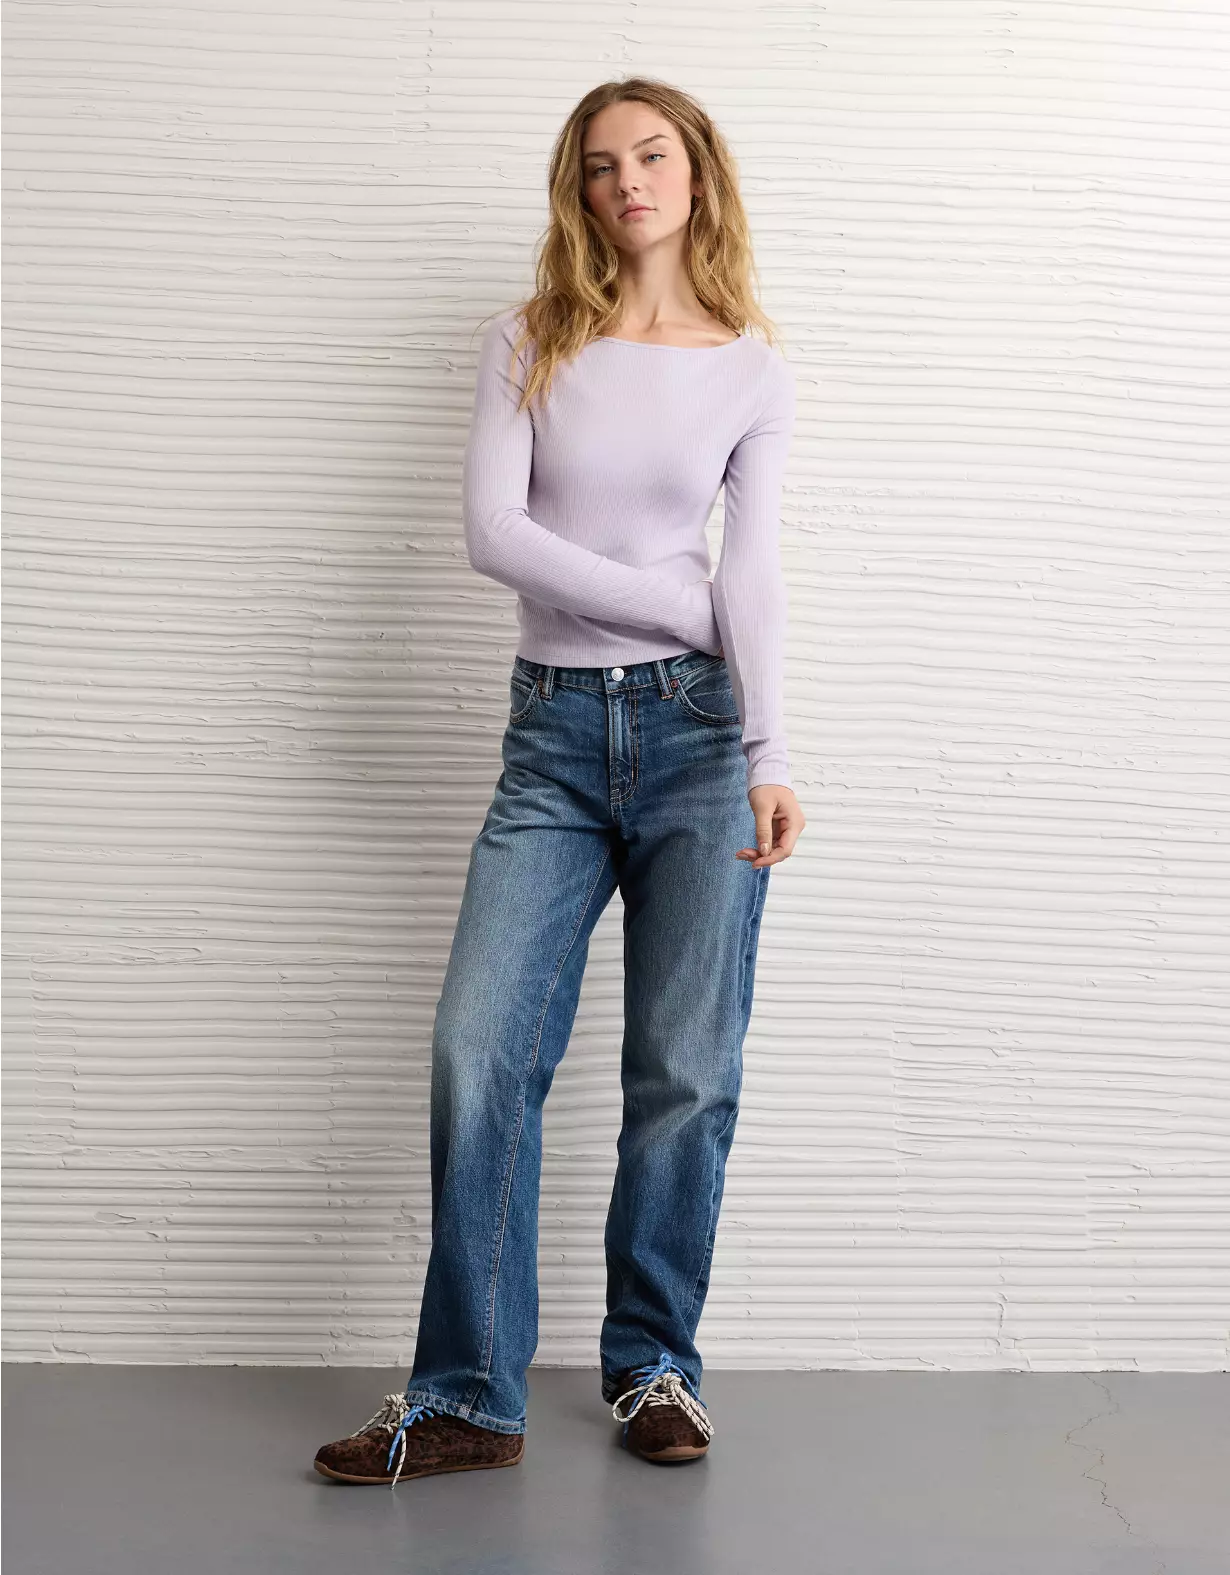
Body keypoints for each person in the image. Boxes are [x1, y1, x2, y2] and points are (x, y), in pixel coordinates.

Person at [314, 74, 804, 1490]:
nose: (627, 181)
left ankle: (654, 1363)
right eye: (600, 163)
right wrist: (687, 609)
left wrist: (771, 748)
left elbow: (757, 571)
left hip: (702, 741)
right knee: (481, 1050)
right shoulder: (527, 340)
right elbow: (495, 535)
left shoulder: (750, 367)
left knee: (685, 1072)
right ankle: (470, 1393)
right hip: (553, 738)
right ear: (577, 189)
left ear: (697, 175)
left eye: (652, 155)